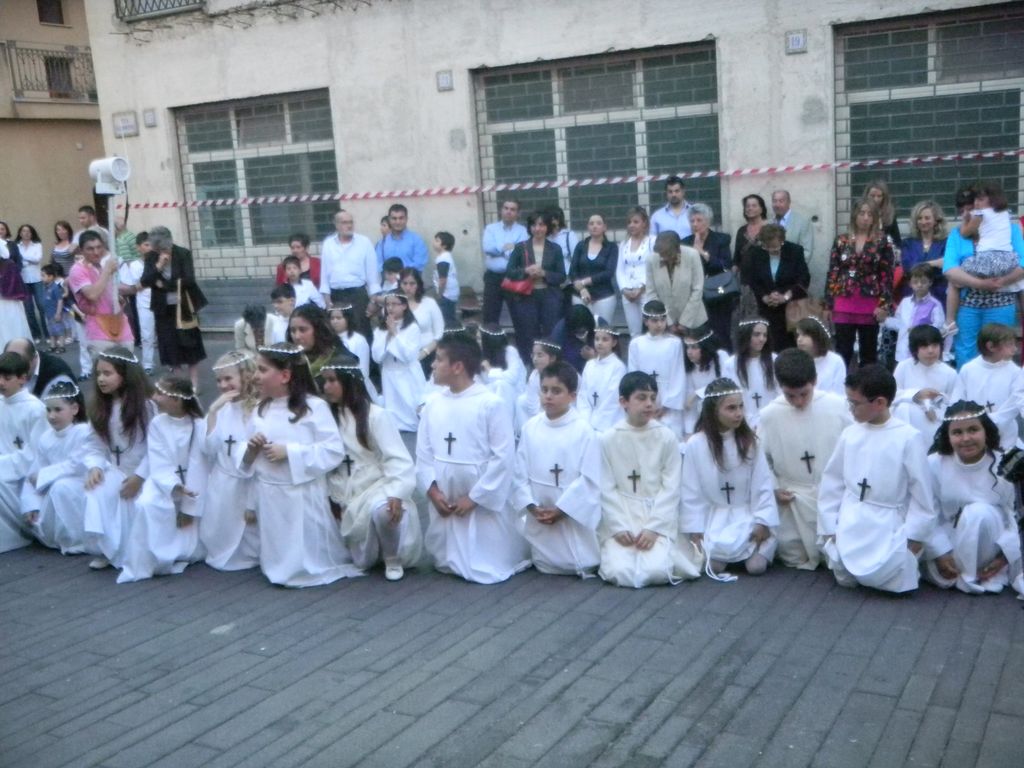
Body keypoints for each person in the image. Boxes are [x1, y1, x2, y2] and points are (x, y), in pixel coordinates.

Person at [240, 343, 359, 587]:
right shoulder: (261, 409)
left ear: (285, 375)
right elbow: (246, 455)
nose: (255, 376)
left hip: (302, 492)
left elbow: (333, 450)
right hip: (270, 492)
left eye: (262, 370)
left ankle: (308, 565)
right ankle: (278, 565)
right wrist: (251, 449)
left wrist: (290, 452)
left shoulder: (314, 407)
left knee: (303, 545)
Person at [416, 334, 530, 584]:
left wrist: (475, 497)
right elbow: (423, 454)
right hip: (445, 498)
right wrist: (432, 490)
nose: (432, 364)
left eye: (439, 359)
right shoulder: (432, 404)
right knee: (448, 559)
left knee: (487, 561)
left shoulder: (490, 404)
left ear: (458, 366)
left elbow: (503, 457)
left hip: (479, 500)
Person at [817, 364, 936, 593]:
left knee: (891, 575)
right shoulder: (850, 434)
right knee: (846, 576)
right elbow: (833, 482)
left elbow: (921, 492)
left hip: (888, 522)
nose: (851, 409)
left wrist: (914, 538)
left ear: (880, 402)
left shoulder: (908, 438)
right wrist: (830, 526)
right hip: (852, 517)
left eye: (855, 403)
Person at [321, 352, 422, 581]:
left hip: (374, 484)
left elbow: (397, 458)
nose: (326, 387)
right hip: (342, 487)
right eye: (324, 381)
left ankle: (392, 558)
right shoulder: (326, 417)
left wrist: (397, 492)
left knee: (384, 511)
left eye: (332, 380)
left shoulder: (375, 415)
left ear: (348, 382)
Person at [597, 371, 699, 588]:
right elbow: (606, 487)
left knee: (656, 571)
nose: (649, 404)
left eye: (653, 398)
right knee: (620, 572)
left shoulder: (666, 437)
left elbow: (671, 486)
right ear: (623, 402)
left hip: (656, 513)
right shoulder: (609, 439)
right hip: (622, 513)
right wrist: (618, 526)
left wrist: (654, 528)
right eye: (641, 398)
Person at [758, 350, 850, 570]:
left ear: (815, 381)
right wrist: (774, 488)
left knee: (840, 555)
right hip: (792, 499)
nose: (798, 401)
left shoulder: (838, 407)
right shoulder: (770, 415)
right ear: (780, 386)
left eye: (804, 394)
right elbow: (761, 460)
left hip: (832, 496)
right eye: (790, 396)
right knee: (792, 555)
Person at [681, 377, 779, 578]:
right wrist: (695, 529)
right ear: (713, 411)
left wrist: (762, 521)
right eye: (731, 408)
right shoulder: (696, 445)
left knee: (756, 567)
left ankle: (748, 550)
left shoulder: (749, 442)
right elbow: (691, 491)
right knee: (715, 566)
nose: (739, 413)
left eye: (741, 406)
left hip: (747, 514)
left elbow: (762, 484)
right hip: (715, 517)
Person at [925, 401, 1024, 596]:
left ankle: (978, 572)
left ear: (985, 431)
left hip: (993, 543)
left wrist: (1004, 557)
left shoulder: (1006, 464)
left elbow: (1016, 518)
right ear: (948, 436)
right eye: (957, 432)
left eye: (973, 430)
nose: (966, 438)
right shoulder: (934, 464)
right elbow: (927, 511)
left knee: (978, 513)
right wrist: (940, 552)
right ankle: (962, 571)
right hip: (950, 544)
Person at [512, 362, 601, 577]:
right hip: (539, 510)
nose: (548, 396)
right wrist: (531, 506)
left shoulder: (584, 431)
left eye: (556, 391)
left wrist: (563, 510)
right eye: (544, 390)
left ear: (572, 396)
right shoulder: (530, 428)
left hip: (570, 515)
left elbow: (590, 479)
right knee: (543, 555)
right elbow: (519, 473)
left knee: (576, 556)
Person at [117, 376, 205, 583]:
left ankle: (179, 552)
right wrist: (174, 485)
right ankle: (153, 557)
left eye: (160, 394)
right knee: (147, 504)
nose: (154, 397)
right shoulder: (157, 423)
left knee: (188, 524)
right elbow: (158, 459)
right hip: (163, 481)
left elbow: (199, 465)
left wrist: (188, 504)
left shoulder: (198, 425)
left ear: (176, 400)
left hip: (194, 485)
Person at [82, 347, 154, 570]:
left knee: (140, 502)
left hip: (146, 472)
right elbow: (94, 445)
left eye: (107, 373)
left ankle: (136, 550)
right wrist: (95, 467)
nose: (101, 379)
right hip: (117, 470)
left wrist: (140, 476)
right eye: (98, 374)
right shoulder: (101, 408)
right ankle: (107, 548)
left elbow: (157, 448)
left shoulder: (147, 406)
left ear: (125, 374)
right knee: (96, 490)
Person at [943, 187, 1024, 369]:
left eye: (970, 208)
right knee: (966, 353)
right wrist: (980, 283)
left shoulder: (1010, 229)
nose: (967, 214)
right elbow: (949, 268)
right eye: (962, 210)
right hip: (968, 303)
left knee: (1000, 350)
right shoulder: (958, 234)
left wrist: (1002, 282)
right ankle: (966, 387)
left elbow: (1023, 262)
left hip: (1001, 301)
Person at [199, 351, 260, 572]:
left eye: (228, 378)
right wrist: (213, 412)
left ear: (245, 376)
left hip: (248, 482)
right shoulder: (222, 408)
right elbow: (208, 448)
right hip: (222, 480)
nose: (223, 385)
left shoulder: (257, 410)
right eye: (219, 380)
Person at [21, 380, 90, 554]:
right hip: (54, 489)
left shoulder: (83, 432)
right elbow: (33, 475)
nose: (52, 416)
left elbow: (76, 465)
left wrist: (44, 475)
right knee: (56, 488)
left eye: (58, 410)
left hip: (83, 486)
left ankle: (78, 538)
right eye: (49, 410)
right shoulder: (46, 438)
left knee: (61, 487)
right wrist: (31, 505)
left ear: (74, 409)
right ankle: (57, 534)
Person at [824, 199, 895, 368]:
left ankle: (867, 383)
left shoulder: (882, 241)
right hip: (843, 300)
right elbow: (833, 272)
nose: (865, 217)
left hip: (870, 301)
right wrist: (828, 304)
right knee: (842, 351)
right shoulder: (841, 240)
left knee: (868, 354)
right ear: (855, 215)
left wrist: (884, 305)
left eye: (870, 214)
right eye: (862, 213)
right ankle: (841, 383)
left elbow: (887, 275)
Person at [140, 226, 207, 391]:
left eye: (163, 248)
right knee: (170, 346)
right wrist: (159, 266)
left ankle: (194, 384)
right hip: (163, 308)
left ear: (169, 242)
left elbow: (189, 280)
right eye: (157, 249)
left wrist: (164, 285)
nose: (161, 251)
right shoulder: (151, 257)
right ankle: (180, 384)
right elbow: (146, 281)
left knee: (190, 344)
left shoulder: (183, 253)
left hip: (184, 306)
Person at [0, 351, 48, 552]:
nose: (1, 382)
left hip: (25, 477)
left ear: (22, 378)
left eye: (7, 378)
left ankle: (13, 535)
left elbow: (35, 454)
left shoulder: (35, 409)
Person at [504, 211, 566, 365]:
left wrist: (544, 273)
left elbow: (561, 276)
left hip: (549, 296)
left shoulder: (555, 248)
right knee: (527, 333)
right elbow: (510, 272)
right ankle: (529, 364)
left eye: (541, 225)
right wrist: (526, 271)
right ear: (529, 227)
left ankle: (551, 363)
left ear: (547, 227)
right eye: (534, 225)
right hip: (526, 296)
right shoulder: (521, 247)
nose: (537, 228)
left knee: (551, 332)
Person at [742, 222, 810, 352]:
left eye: (775, 247)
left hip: (792, 307)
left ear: (782, 240)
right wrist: (764, 297)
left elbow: (803, 278)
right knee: (770, 344)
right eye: (768, 247)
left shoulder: (795, 251)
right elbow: (753, 280)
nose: (771, 250)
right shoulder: (756, 253)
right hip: (767, 308)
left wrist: (785, 296)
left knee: (791, 346)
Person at [957, 323, 1024, 451]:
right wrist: (971, 422)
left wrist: (992, 422)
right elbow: (958, 399)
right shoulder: (968, 370)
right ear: (991, 346)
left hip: (1005, 434)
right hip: (972, 432)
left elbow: (1014, 403)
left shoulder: (1015, 372)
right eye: (1009, 344)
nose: (1015, 349)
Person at [892, 325, 962, 443]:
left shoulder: (949, 373)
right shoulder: (903, 367)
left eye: (935, 345)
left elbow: (954, 403)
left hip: (934, 421)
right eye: (924, 347)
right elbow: (893, 396)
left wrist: (935, 411)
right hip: (906, 421)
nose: (930, 351)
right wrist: (917, 395)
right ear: (915, 349)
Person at [628, 300, 685, 442]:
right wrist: (644, 403)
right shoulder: (636, 344)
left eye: (662, 320)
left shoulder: (674, 343)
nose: (659, 324)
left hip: (668, 404)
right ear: (645, 321)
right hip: (644, 402)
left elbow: (678, 375)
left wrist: (666, 405)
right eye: (654, 321)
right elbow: (633, 376)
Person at [320, 210, 379, 339]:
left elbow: (372, 275)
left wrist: (373, 301)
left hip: (357, 296)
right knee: (338, 335)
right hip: (336, 296)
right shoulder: (328, 244)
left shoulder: (364, 242)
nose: (349, 226)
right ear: (336, 225)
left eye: (351, 222)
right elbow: (324, 275)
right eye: (345, 222)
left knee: (361, 333)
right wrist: (327, 300)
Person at [683, 203, 735, 351]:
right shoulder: (685, 242)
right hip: (695, 296)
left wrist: (703, 253)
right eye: (692, 221)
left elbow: (725, 266)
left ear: (708, 221)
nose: (695, 224)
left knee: (721, 334)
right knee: (698, 335)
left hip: (718, 294)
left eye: (699, 220)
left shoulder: (721, 239)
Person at [372, 293, 426, 432]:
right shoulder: (380, 329)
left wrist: (395, 333)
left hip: (406, 372)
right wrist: (388, 335)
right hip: (389, 372)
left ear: (404, 306)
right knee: (393, 409)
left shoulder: (412, 328)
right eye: (387, 305)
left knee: (410, 406)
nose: (390, 308)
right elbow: (377, 356)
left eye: (394, 304)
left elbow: (409, 355)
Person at [645, 231, 707, 333]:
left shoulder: (692, 255)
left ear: (677, 249)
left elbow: (697, 289)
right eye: (661, 254)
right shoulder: (651, 259)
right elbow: (651, 293)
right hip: (664, 324)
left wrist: (685, 322)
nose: (663, 257)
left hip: (694, 321)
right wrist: (668, 322)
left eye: (667, 254)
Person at [884, 264, 947, 364]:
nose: (919, 285)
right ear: (910, 283)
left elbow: (939, 328)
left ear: (930, 282)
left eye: (923, 282)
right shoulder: (905, 302)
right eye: (915, 282)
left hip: (923, 353)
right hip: (903, 352)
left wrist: (920, 330)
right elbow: (899, 324)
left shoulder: (935, 305)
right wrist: (885, 320)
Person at [724, 319, 778, 429]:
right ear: (746, 335)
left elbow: (780, 392)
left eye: (765, 335)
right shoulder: (731, 364)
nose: (762, 339)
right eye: (756, 334)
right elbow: (730, 395)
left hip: (772, 421)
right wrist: (750, 422)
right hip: (743, 423)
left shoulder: (774, 360)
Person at [482, 199, 529, 325]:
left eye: (512, 209)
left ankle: (521, 339)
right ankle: (491, 338)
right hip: (493, 278)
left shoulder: (522, 231)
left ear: (518, 213)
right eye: (506, 208)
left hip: (514, 277)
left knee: (519, 316)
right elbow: (488, 249)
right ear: (501, 210)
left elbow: (521, 254)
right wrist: (507, 248)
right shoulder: (490, 229)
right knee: (490, 316)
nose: (508, 212)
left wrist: (500, 250)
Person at [577, 318, 627, 434]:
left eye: (605, 339)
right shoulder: (589, 365)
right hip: (588, 421)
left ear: (614, 343)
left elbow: (613, 399)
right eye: (597, 339)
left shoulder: (618, 367)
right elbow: (583, 395)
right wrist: (586, 419)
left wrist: (597, 422)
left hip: (609, 423)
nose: (599, 343)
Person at [569, 214, 618, 323]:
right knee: (582, 328)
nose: (594, 226)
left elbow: (609, 272)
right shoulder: (581, 246)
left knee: (602, 328)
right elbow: (573, 271)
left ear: (605, 227)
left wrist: (584, 282)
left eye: (598, 223)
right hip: (580, 296)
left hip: (604, 297)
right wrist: (582, 289)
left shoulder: (611, 247)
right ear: (588, 227)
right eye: (591, 224)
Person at [681, 325, 728, 436]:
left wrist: (697, 394)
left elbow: (725, 383)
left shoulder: (720, 357)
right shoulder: (690, 369)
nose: (689, 352)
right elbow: (689, 406)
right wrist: (689, 432)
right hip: (702, 421)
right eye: (688, 347)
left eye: (694, 347)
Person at [617, 206, 656, 336]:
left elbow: (654, 267)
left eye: (635, 222)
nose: (632, 225)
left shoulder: (652, 241)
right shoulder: (623, 244)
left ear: (644, 223)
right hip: (628, 293)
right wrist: (624, 289)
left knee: (649, 329)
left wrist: (641, 288)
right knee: (634, 332)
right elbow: (619, 269)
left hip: (646, 291)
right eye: (629, 222)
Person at [399, 268, 445, 377]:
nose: (408, 288)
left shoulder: (429, 303)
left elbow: (439, 334)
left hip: (427, 356)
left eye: (412, 284)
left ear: (418, 285)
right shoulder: (394, 305)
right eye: (405, 283)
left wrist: (424, 352)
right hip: (402, 356)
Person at [900, 201, 948, 303]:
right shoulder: (907, 243)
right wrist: (935, 263)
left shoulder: (946, 243)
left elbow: (947, 268)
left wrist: (921, 265)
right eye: (919, 218)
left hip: (938, 295)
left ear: (936, 220)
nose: (923, 221)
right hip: (913, 295)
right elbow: (909, 268)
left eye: (927, 218)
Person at [771, 189, 816, 291]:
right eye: (774, 201)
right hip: (772, 278)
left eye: (781, 201)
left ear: (789, 202)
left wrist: (790, 271)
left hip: (793, 278)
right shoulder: (770, 223)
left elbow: (807, 251)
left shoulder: (802, 222)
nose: (777, 204)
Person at [516, 339, 561, 434]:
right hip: (541, 415)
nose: (535, 359)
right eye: (533, 355)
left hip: (560, 413)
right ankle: (526, 433)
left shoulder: (563, 376)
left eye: (540, 355)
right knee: (521, 401)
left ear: (552, 358)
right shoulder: (534, 375)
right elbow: (532, 404)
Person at [286, 303, 341, 379]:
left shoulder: (340, 363)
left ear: (318, 330)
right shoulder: (288, 363)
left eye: (303, 330)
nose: (297, 336)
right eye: (293, 331)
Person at [794, 317, 846, 395]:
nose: (799, 339)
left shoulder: (835, 361)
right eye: (798, 335)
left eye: (804, 335)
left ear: (816, 336)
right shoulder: (795, 360)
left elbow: (839, 392)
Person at [15, 224, 48, 346]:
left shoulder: (37, 245)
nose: (26, 233)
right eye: (23, 231)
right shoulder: (17, 246)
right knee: (29, 309)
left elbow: (37, 259)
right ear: (20, 233)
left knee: (42, 306)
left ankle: (48, 334)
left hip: (37, 279)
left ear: (32, 233)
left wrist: (23, 258)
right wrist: (29, 260)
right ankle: (36, 334)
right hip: (24, 280)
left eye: (28, 231)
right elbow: (18, 262)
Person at [545, 206, 580, 318]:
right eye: (551, 219)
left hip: (567, 283)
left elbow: (576, 258)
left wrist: (569, 279)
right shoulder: (545, 237)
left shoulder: (569, 235)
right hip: (549, 283)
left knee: (568, 314)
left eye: (555, 218)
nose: (553, 222)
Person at [375, 203, 428, 272]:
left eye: (401, 218)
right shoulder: (382, 244)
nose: (398, 222)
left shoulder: (416, 241)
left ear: (406, 219)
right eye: (394, 218)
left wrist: (400, 272)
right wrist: (391, 273)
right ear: (389, 220)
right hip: (389, 278)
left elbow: (419, 264)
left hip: (409, 278)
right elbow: (378, 265)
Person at [551, 304, 595, 374]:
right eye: (578, 331)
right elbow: (555, 362)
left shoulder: (599, 324)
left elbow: (611, 358)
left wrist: (595, 357)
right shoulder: (559, 332)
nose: (581, 334)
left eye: (583, 331)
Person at [863, 180, 902, 248]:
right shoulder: (860, 213)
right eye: (872, 196)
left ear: (884, 197)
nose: (875, 199)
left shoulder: (889, 214)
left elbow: (897, 240)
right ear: (867, 195)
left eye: (879, 196)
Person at [432, 231, 460, 324]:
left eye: (437, 241)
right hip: (449, 293)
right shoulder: (445, 257)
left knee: (446, 319)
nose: (434, 242)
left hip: (446, 294)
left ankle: (451, 331)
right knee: (448, 317)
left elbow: (443, 280)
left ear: (444, 245)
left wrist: (439, 294)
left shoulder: (443, 259)